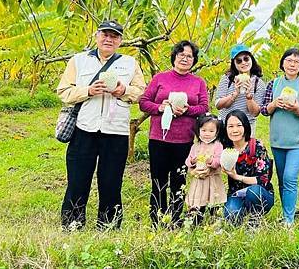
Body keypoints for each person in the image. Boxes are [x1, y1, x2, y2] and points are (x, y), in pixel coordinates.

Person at [57, 20, 146, 230]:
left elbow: (142, 93)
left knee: (111, 181)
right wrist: (88, 90)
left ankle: (108, 224)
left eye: (114, 36)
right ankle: (72, 222)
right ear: (97, 36)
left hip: (115, 131)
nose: (109, 39)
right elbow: (63, 92)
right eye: (105, 35)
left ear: (120, 41)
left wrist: (123, 90)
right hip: (84, 129)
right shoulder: (78, 61)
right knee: (78, 179)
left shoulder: (130, 63)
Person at [139, 40, 209, 227]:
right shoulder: (160, 78)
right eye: (181, 55)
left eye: (189, 56)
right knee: (158, 179)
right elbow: (144, 102)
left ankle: (176, 218)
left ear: (193, 60)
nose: (185, 59)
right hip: (159, 138)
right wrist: (161, 107)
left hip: (184, 139)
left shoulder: (198, 82)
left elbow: (204, 107)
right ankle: (157, 219)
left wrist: (187, 110)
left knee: (179, 180)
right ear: (174, 57)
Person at [261, 48, 299, 225]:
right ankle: (287, 212)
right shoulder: (274, 84)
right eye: (289, 60)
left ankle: (289, 220)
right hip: (278, 140)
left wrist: (298, 110)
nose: (292, 64)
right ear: (282, 63)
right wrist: (273, 104)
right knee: (281, 178)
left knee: (290, 177)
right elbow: (264, 110)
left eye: (296, 61)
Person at [221, 110, 274, 224]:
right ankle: (242, 210)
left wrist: (236, 176)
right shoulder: (225, 148)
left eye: (239, 125)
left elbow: (262, 180)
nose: (235, 130)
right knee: (231, 216)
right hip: (236, 193)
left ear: (245, 126)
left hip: (259, 192)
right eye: (230, 126)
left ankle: (255, 219)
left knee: (254, 192)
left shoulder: (257, 147)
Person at [215, 44, 266, 138]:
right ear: (234, 63)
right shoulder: (227, 79)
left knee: (245, 152)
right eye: (239, 61)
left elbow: (255, 113)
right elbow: (218, 105)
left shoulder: (259, 83)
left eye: (246, 59)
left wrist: (249, 97)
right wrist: (235, 94)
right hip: (226, 125)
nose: (243, 62)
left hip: (247, 126)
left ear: (251, 59)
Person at [184, 115, 226, 225]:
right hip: (199, 180)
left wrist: (211, 161)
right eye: (204, 130)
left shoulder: (218, 145)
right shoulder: (195, 146)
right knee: (198, 200)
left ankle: (215, 222)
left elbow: (219, 161)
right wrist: (193, 161)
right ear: (198, 131)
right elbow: (187, 161)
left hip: (212, 179)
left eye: (211, 131)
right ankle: (195, 221)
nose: (207, 133)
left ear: (217, 132)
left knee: (214, 200)